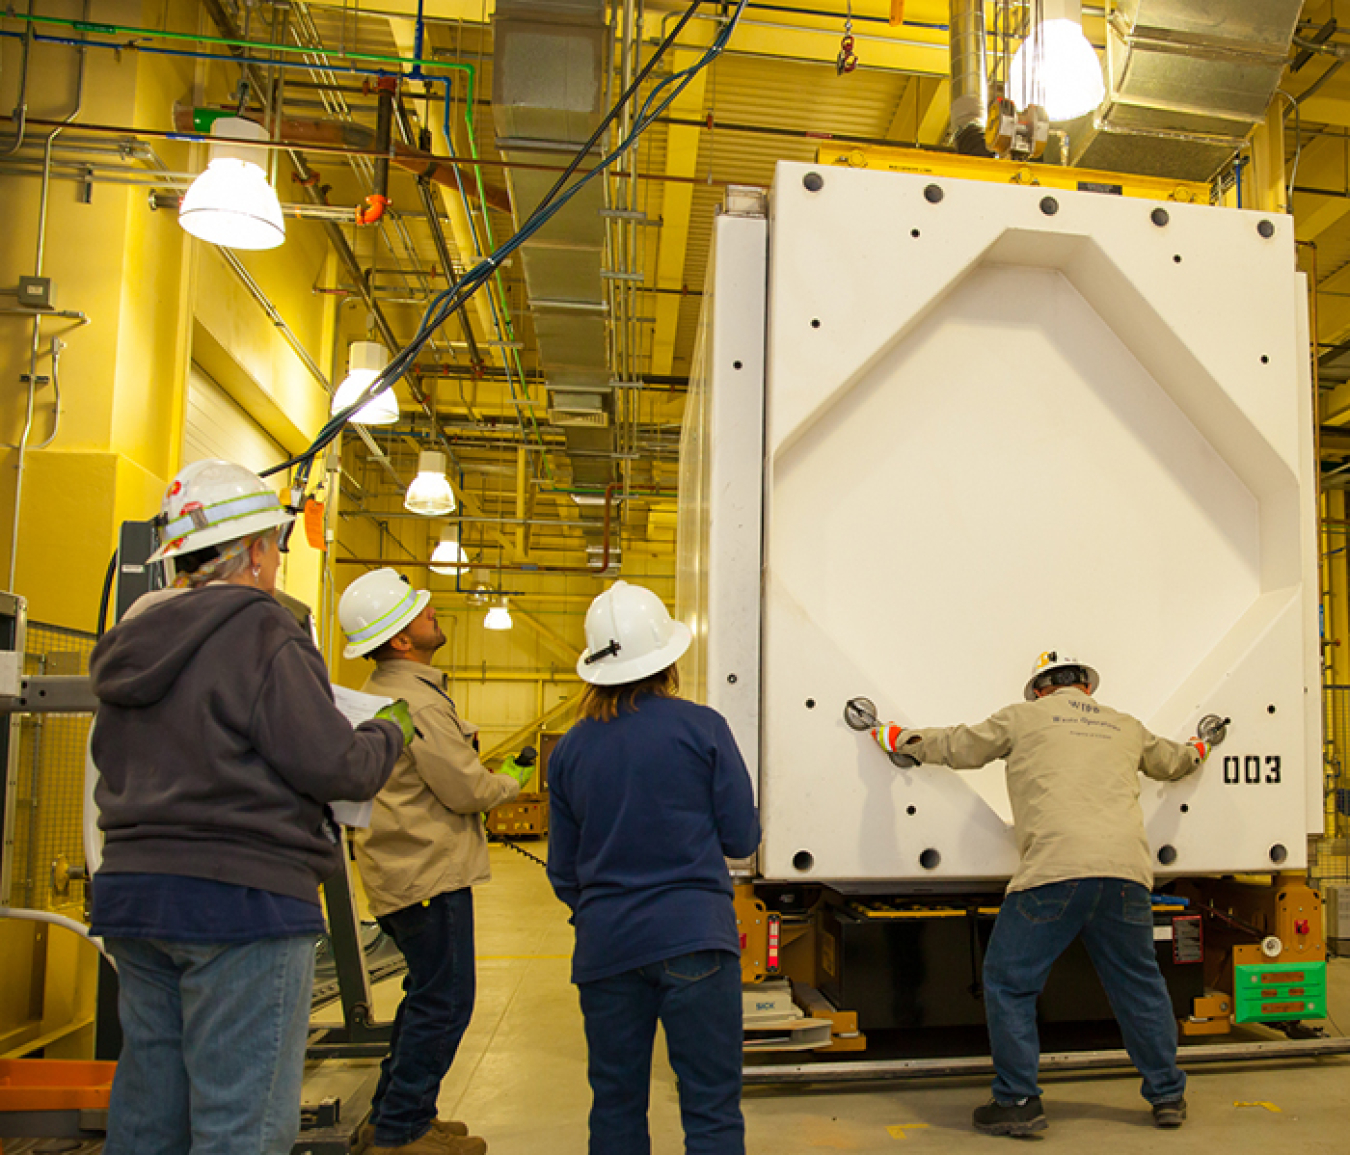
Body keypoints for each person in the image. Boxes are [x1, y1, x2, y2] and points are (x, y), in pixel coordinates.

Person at [89, 459, 407, 1155]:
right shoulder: (261, 630)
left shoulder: (130, 642)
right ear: (256, 549)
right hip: (242, 905)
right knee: (243, 1123)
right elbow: (335, 764)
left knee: (150, 1115)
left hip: (134, 900)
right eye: (275, 544)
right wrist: (388, 731)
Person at [871, 650, 1211, 1137]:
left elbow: (961, 745)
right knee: (1140, 987)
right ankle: (1167, 1095)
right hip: (1127, 876)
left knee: (1009, 982)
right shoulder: (1125, 726)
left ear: (1039, 689)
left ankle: (1018, 1101)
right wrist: (1202, 746)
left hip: (1054, 872)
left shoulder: (1024, 718)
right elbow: (1177, 761)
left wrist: (897, 739)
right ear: (1086, 688)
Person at [547, 581, 761, 1155]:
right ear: (668, 658)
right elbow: (742, 837)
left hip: (606, 948)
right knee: (711, 1107)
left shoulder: (568, 750)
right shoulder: (703, 729)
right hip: (696, 938)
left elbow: (563, 872)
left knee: (615, 1104)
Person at [339, 568, 533, 1155]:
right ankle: (402, 1133)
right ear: (401, 639)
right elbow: (465, 790)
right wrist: (512, 781)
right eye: (422, 614)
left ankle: (395, 1114)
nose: (433, 616)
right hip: (427, 874)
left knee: (427, 995)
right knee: (446, 1002)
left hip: (403, 869)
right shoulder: (415, 701)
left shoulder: (387, 692)